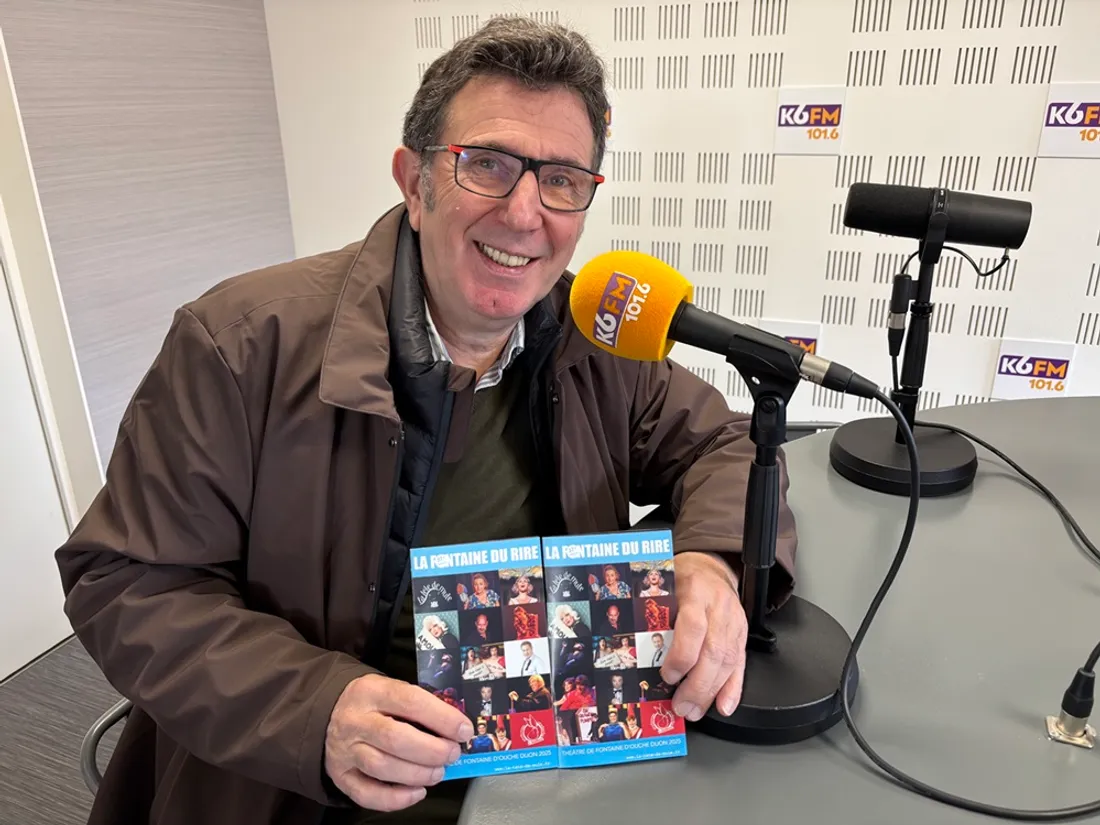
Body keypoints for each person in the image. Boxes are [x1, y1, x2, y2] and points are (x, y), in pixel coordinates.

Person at [53, 16, 796, 825]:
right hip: (311, 781)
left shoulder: (597, 336)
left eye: (562, 180)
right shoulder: (239, 343)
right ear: (415, 181)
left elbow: (725, 444)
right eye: (487, 164)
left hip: (548, 769)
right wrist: (316, 710)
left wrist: (712, 562)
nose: (524, 213)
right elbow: (125, 580)